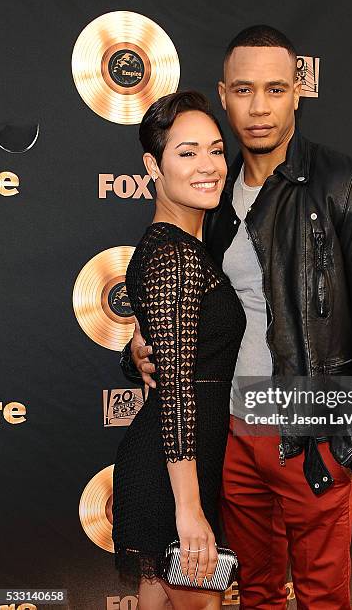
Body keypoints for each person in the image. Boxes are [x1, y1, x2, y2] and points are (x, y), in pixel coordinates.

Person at [120, 26, 352, 609]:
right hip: (231, 434)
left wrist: (349, 444)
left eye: (276, 89)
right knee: (255, 592)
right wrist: (136, 351)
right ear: (224, 96)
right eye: (245, 90)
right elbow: (194, 314)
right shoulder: (216, 195)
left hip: (312, 433)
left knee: (322, 595)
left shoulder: (344, 183)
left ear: (298, 92)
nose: (259, 107)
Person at [112, 90, 246, 610]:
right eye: (186, 153)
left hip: (180, 469)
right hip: (171, 478)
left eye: (215, 150)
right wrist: (189, 510)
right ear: (153, 166)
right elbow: (177, 393)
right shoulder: (172, 254)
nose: (208, 166)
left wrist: (135, 353)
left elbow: (171, 360)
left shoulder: (188, 248)